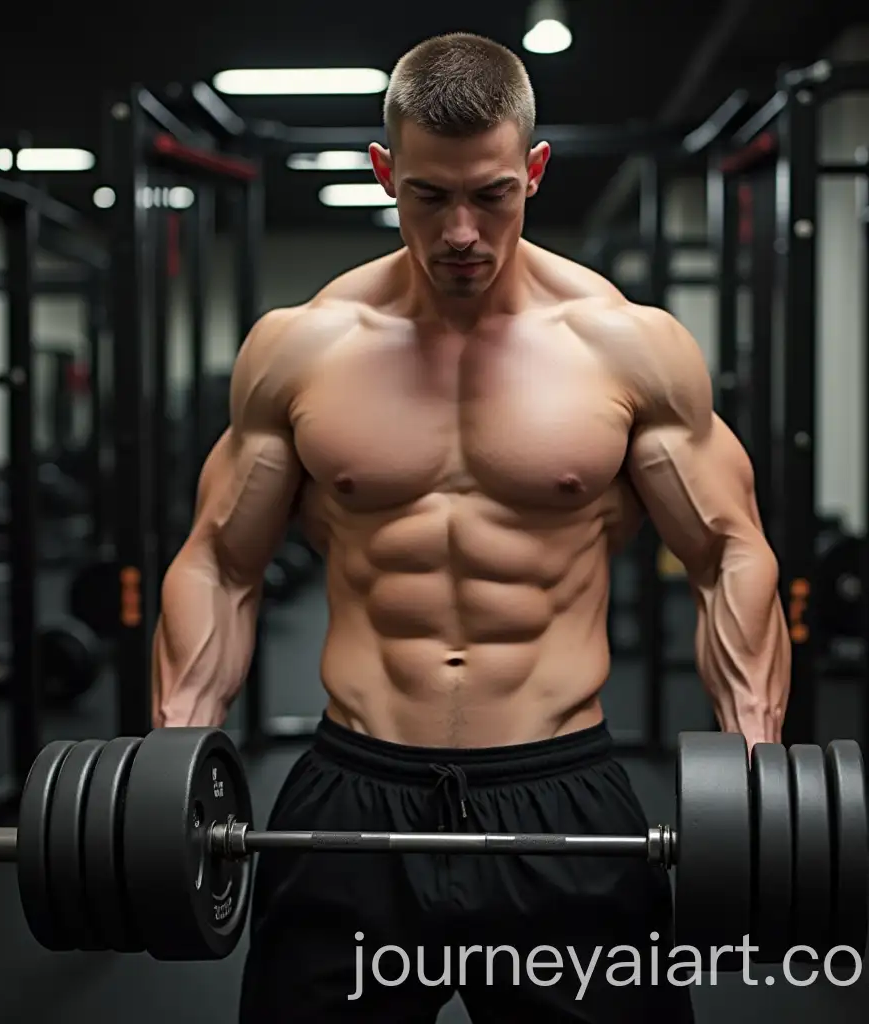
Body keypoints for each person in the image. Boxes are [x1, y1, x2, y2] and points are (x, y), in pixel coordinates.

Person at [151, 31, 790, 1024]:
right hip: (354, 788)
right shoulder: (301, 348)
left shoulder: (627, 347)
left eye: (491, 195)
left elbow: (726, 550)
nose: (460, 232)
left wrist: (753, 766)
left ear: (533, 170)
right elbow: (221, 562)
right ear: (384, 172)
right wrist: (173, 765)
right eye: (427, 195)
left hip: (560, 793)